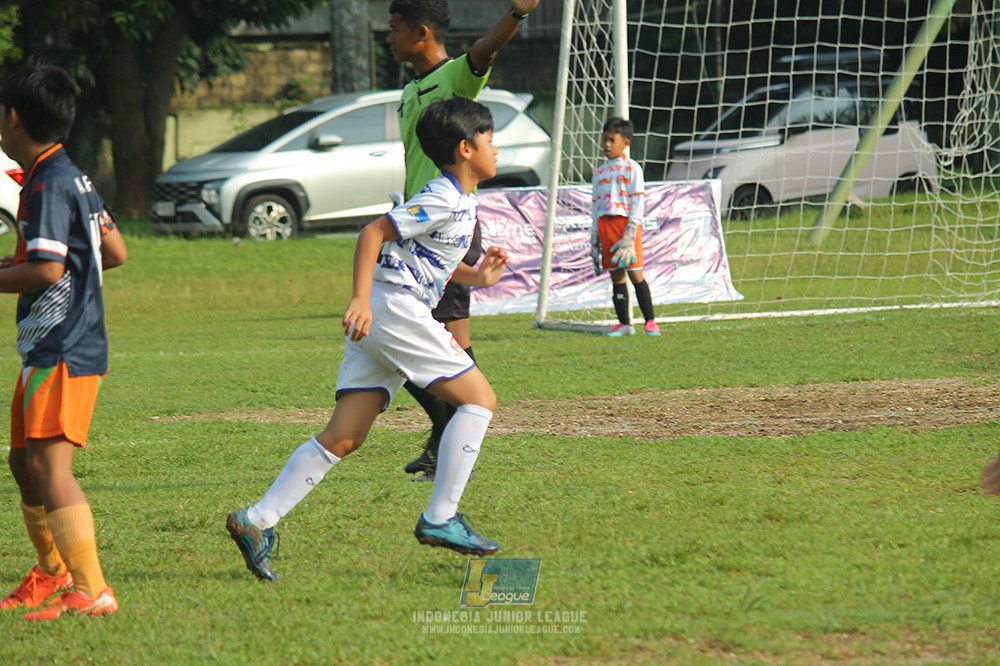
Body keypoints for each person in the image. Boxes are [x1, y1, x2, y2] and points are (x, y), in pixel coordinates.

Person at [226, 97, 509, 581]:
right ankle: (441, 517)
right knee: (480, 399)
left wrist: (478, 278)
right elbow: (373, 233)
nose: (495, 148)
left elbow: (426, 258)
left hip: (386, 312)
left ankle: (256, 520)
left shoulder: (459, 200)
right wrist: (359, 299)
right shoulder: (443, 195)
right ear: (466, 148)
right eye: (489, 139)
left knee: (345, 435)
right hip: (392, 311)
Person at [388, 0, 539, 479]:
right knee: (405, 336)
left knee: (441, 334)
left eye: (394, 29)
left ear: (421, 32)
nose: (387, 38)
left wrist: (516, 14)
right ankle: (449, 428)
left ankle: (455, 429)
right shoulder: (411, 88)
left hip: (446, 225)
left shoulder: (454, 76)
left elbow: (484, 51)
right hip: (416, 220)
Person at [0, 64, 127, 621]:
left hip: (63, 344)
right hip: (48, 345)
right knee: (23, 462)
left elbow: (49, 269)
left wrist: (29, 267)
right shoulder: (71, 175)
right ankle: (53, 571)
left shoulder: (50, 183)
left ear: (14, 117)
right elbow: (115, 250)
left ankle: (92, 587)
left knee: (52, 469)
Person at [590, 117, 660, 338]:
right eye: (605, 140)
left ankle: (650, 322)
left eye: (612, 140)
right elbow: (595, 206)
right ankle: (625, 324)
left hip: (625, 225)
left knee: (635, 272)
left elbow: (637, 200)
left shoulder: (632, 168)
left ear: (626, 143)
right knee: (616, 276)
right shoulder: (599, 173)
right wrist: (594, 238)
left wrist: (631, 230)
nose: (607, 145)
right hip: (605, 225)